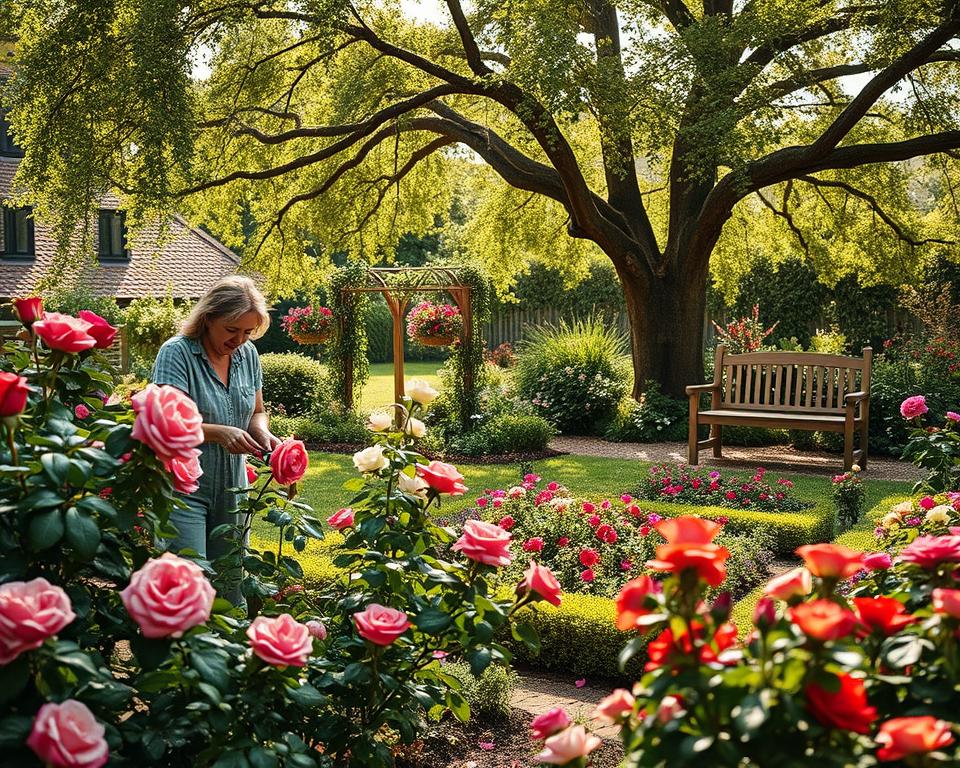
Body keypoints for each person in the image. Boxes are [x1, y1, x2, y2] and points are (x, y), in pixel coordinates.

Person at [151, 276, 280, 598]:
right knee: (187, 582)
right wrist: (220, 433)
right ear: (208, 319)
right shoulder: (176, 353)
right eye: (232, 329)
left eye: (248, 332)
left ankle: (230, 647)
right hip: (184, 486)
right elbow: (166, 420)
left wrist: (262, 432)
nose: (240, 340)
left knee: (231, 583)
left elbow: (256, 410)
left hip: (234, 488)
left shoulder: (247, 355)